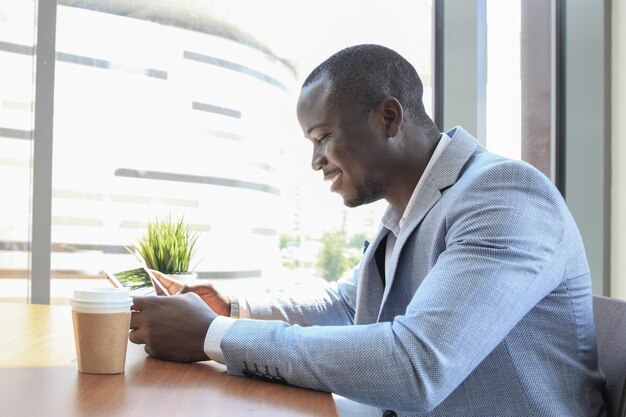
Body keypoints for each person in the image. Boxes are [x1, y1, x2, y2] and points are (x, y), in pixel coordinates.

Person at [129, 44, 607, 416]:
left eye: (322, 138)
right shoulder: (404, 213)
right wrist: (234, 307)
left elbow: (417, 364)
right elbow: (347, 305)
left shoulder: (502, 195)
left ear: (389, 117)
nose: (315, 161)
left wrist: (216, 334)